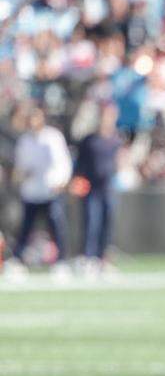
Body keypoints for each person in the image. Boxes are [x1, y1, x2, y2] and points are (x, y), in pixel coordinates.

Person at [11, 105, 73, 276]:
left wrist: (61, 181)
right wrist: (22, 175)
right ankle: (17, 260)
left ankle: (61, 262)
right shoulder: (24, 141)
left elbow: (64, 162)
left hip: (50, 190)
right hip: (31, 192)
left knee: (56, 225)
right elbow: (20, 167)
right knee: (25, 227)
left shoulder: (53, 137)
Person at [72, 102, 123, 274]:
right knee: (91, 223)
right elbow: (79, 165)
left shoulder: (116, 139)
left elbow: (118, 163)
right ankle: (88, 257)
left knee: (107, 224)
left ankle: (103, 258)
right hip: (91, 188)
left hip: (108, 188)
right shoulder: (89, 140)